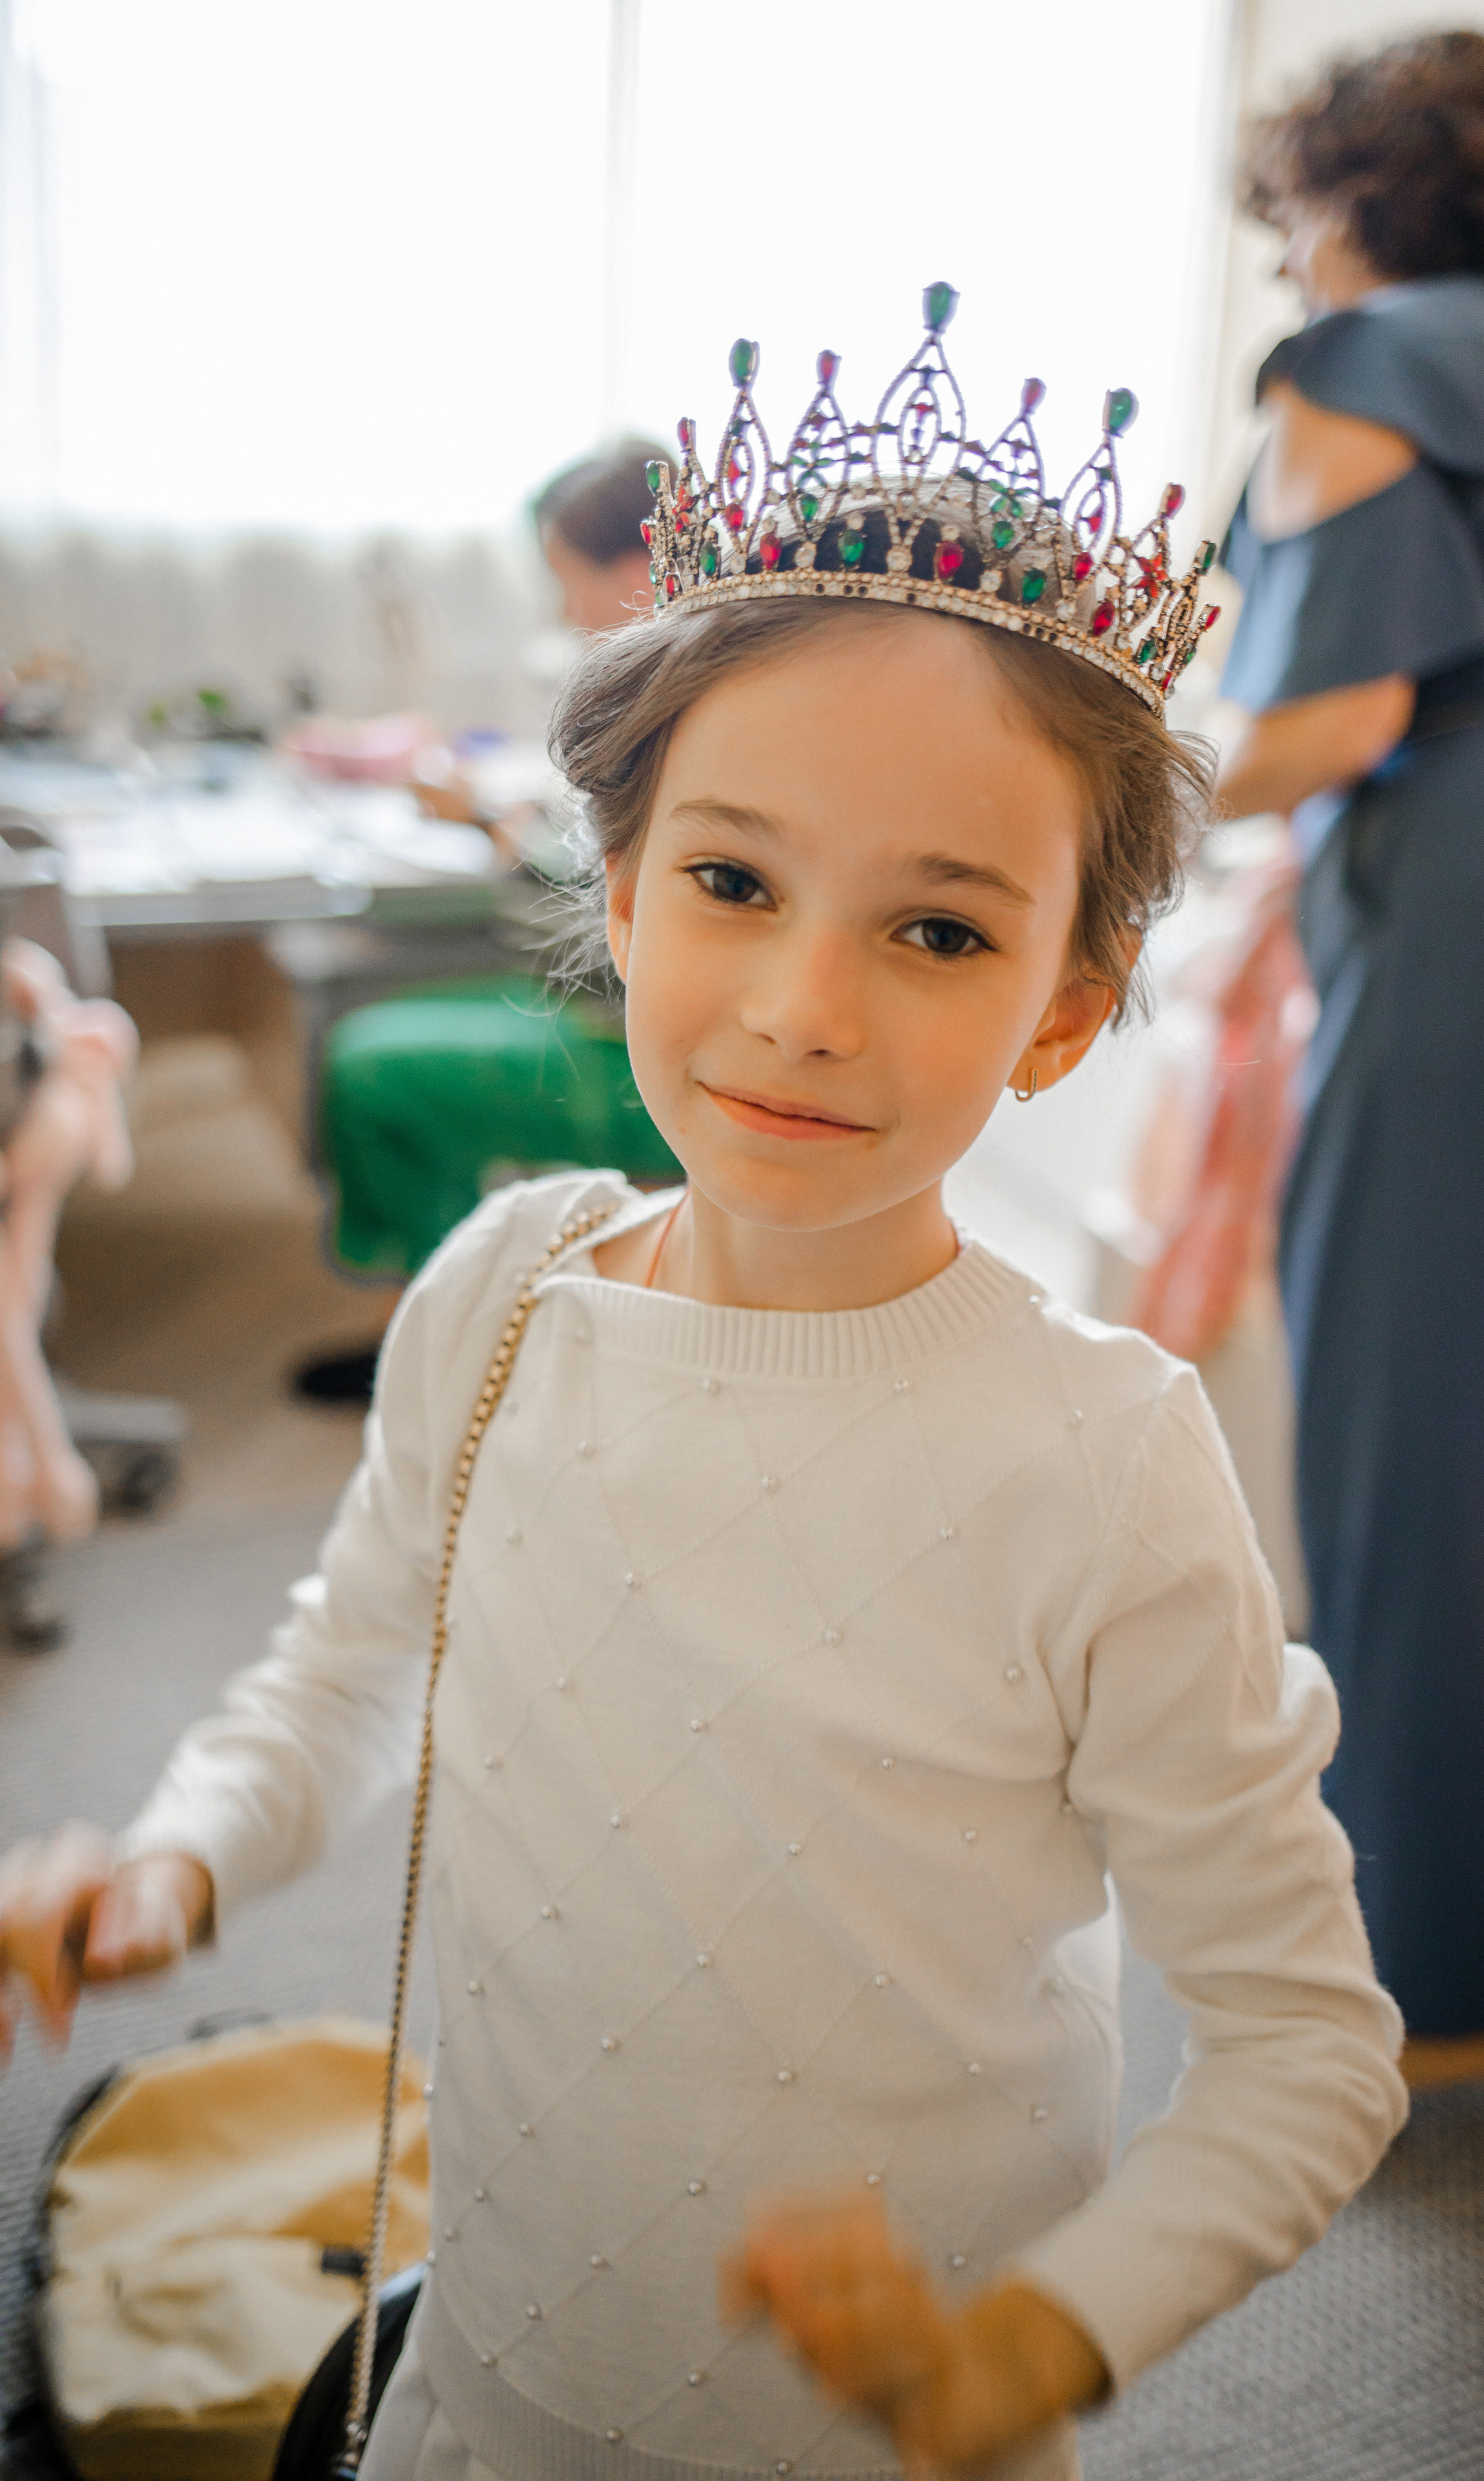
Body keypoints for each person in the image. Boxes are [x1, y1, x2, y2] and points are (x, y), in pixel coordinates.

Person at [0, 295, 1405, 2480]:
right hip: (487, 2393)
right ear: (628, 894)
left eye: (939, 931)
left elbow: (1306, 2045)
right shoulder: (502, 1294)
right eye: (734, 883)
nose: (803, 1006)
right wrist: (179, 1857)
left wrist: (1040, 2339)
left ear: (1063, 1009)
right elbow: (350, 1667)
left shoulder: (1104, 1456)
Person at [1215, 30, 1484, 2088]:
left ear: (1342, 202)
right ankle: (1454, 1927)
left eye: (1296, 222)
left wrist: (1089, 802)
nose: (1292, 263)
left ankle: (1429, 1975)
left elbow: (1333, 717)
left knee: (1397, 1435)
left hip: (1471, 887)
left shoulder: (1366, 359)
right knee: (1479, 1431)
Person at [296, 439, 680, 1404]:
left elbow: (619, 901)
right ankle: (444, 1314)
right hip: (605, 1002)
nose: (565, 609)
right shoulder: (669, 676)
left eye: (568, 578)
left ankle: (450, 1341)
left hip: (629, 1037)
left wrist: (494, 822)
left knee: (368, 1066)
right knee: (371, 1022)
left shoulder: (675, 695)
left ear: (636, 565)